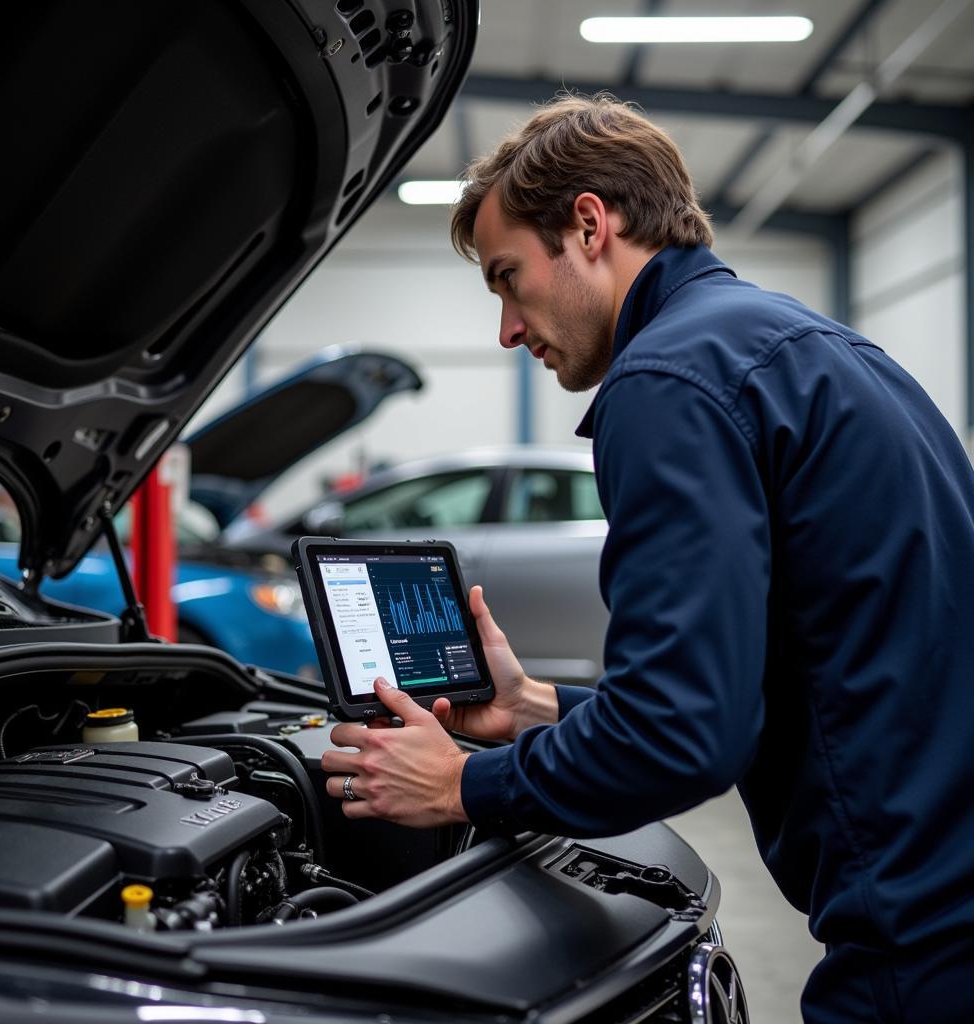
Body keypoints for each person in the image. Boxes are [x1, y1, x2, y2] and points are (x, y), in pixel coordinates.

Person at [320, 95, 974, 1021]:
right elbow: (771, 687)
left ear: (589, 225)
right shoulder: (813, 345)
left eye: (509, 278)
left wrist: (464, 783)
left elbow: (681, 738)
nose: (508, 329)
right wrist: (538, 709)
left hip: (924, 943)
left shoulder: (669, 380)